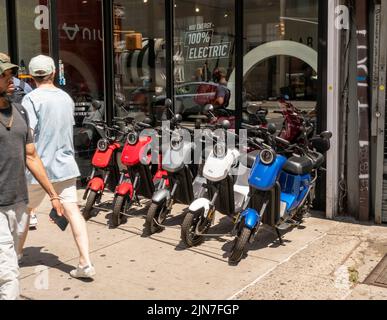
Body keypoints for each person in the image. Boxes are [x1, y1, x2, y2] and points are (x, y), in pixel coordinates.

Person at [20, 55, 96, 279]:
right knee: (73, 210)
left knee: (24, 212)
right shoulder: (66, 98)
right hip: (64, 164)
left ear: (32, 76)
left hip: (38, 168)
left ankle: (15, 254)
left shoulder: (30, 100)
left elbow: (28, 135)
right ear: (53, 73)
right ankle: (85, 261)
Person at [0, 57, 64, 300]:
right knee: (8, 269)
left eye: (11, 74)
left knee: (7, 260)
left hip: (18, 202)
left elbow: (32, 156)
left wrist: (53, 194)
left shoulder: (19, 110)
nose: (11, 80)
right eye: (5, 75)